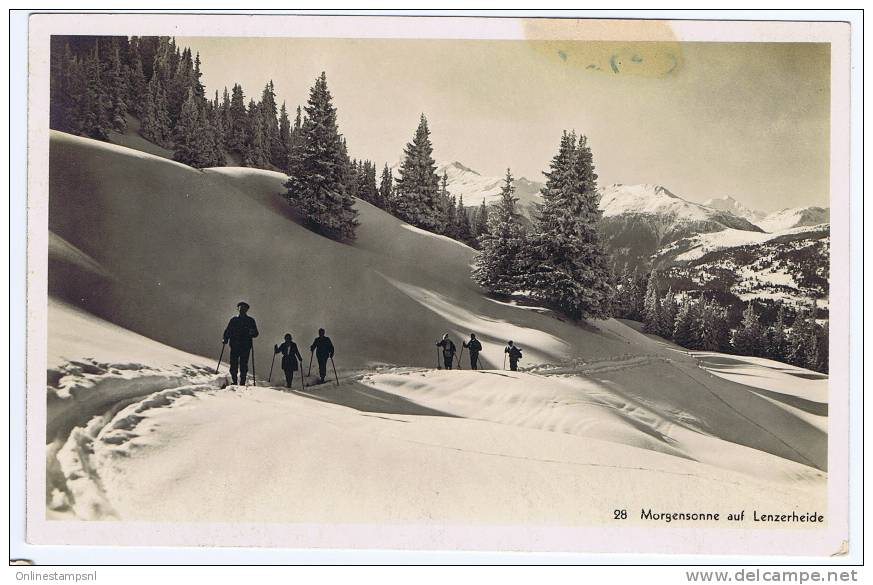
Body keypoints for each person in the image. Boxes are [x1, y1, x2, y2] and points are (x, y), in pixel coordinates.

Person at [222, 301, 259, 385]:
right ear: (238, 309)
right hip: (234, 345)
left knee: (243, 364)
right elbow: (228, 331)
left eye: (244, 308)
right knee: (233, 363)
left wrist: (253, 332)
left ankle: (242, 381)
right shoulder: (234, 320)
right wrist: (225, 339)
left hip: (245, 346)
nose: (242, 309)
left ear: (247, 310)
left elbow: (256, 333)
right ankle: (234, 381)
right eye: (240, 307)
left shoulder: (250, 321)